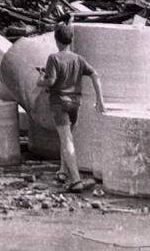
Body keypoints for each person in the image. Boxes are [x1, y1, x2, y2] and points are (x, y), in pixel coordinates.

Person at [36, 22, 105, 193]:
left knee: (66, 140)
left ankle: (76, 180)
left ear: (56, 40)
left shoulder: (54, 58)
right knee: (66, 137)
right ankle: (62, 171)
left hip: (60, 103)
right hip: (75, 104)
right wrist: (100, 100)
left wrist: (40, 80)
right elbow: (95, 74)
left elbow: (50, 81)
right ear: (71, 39)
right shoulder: (78, 59)